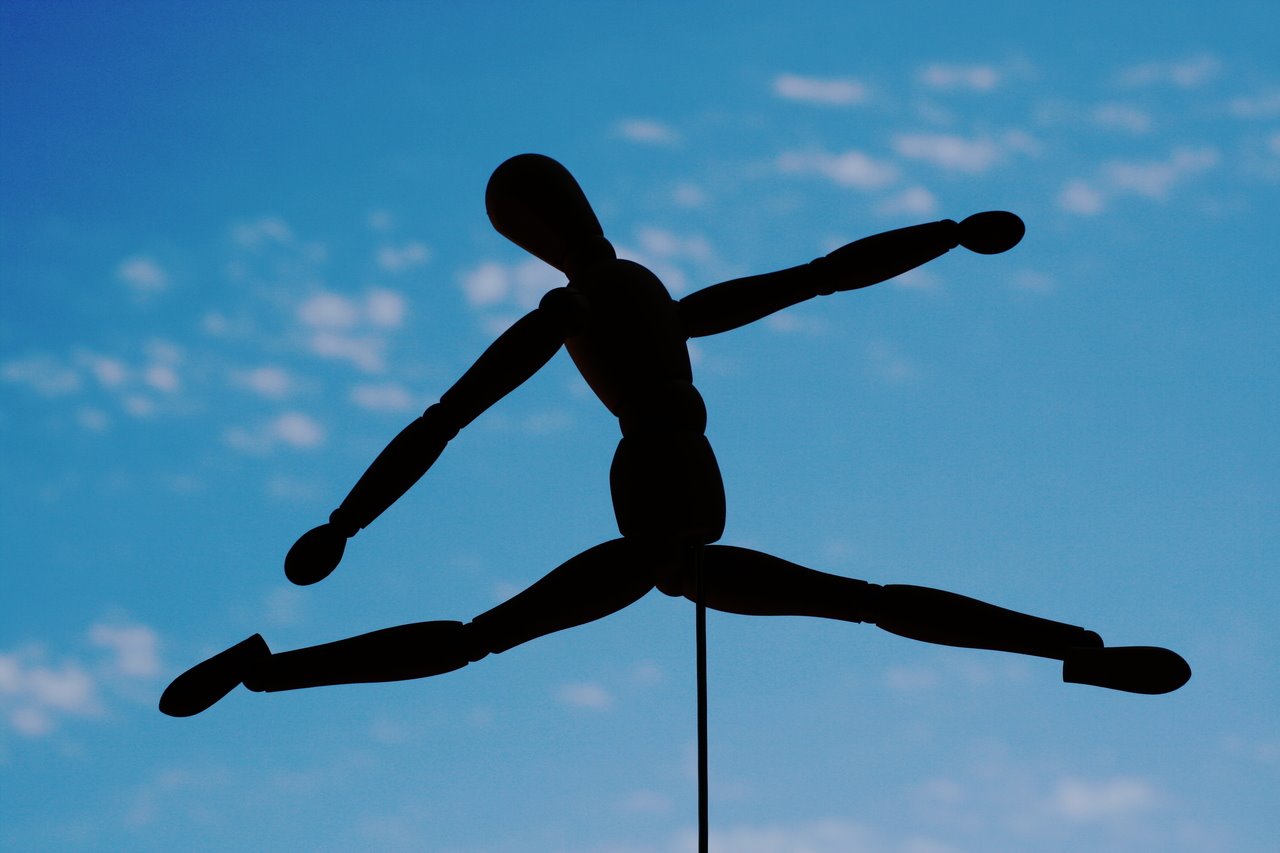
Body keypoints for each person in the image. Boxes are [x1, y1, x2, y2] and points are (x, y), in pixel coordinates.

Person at [161, 155, 1189, 718]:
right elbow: (444, 420)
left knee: (850, 602)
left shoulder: (622, 298)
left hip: (675, 483)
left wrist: (945, 235)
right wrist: (345, 522)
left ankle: (1074, 650)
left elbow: (814, 276)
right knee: (845, 602)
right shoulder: (583, 310)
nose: (560, 226)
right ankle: (266, 671)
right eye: (544, 218)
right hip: (662, 486)